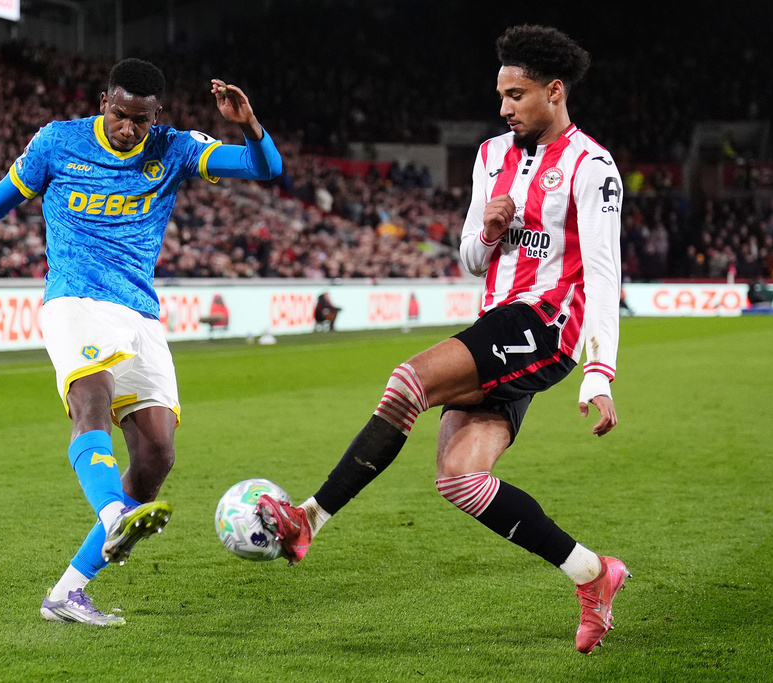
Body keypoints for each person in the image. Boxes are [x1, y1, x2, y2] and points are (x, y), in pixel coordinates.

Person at [0, 58, 282, 626]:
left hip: (140, 313)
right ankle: (112, 515)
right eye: (119, 114)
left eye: (140, 120)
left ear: (156, 116)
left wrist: (248, 123)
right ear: (104, 99)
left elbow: (265, 168)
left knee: (157, 454)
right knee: (92, 400)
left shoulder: (176, 149)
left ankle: (67, 593)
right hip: (75, 300)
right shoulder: (58, 142)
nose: (128, 128)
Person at [256, 25, 628, 654]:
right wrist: (487, 230)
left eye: (517, 94)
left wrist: (601, 371)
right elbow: (470, 261)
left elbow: (603, 272)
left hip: (545, 326)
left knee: (410, 380)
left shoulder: (592, 168)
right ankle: (593, 574)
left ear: (555, 92)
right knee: (460, 479)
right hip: (497, 326)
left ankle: (307, 520)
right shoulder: (490, 157)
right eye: (501, 94)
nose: (504, 107)